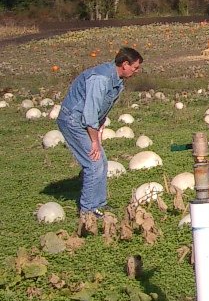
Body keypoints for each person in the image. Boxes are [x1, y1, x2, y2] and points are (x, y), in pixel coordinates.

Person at [56, 46, 144, 216]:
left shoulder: (117, 80)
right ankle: (88, 211)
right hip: (73, 121)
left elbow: (102, 109)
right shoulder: (101, 79)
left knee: (101, 162)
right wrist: (94, 141)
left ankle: (100, 204)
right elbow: (90, 113)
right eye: (135, 67)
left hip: (84, 121)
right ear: (125, 64)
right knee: (93, 163)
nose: (136, 71)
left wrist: (100, 128)